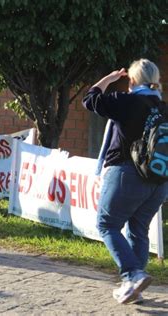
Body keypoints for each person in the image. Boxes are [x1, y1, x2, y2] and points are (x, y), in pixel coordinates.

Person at [82, 59, 168, 304]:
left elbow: (90, 99)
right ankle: (134, 288)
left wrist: (109, 78)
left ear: (131, 81)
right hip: (159, 180)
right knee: (138, 230)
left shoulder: (127, 101)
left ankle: (133, 274)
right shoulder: (162, 107)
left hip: (127, 174)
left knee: (107, 224)